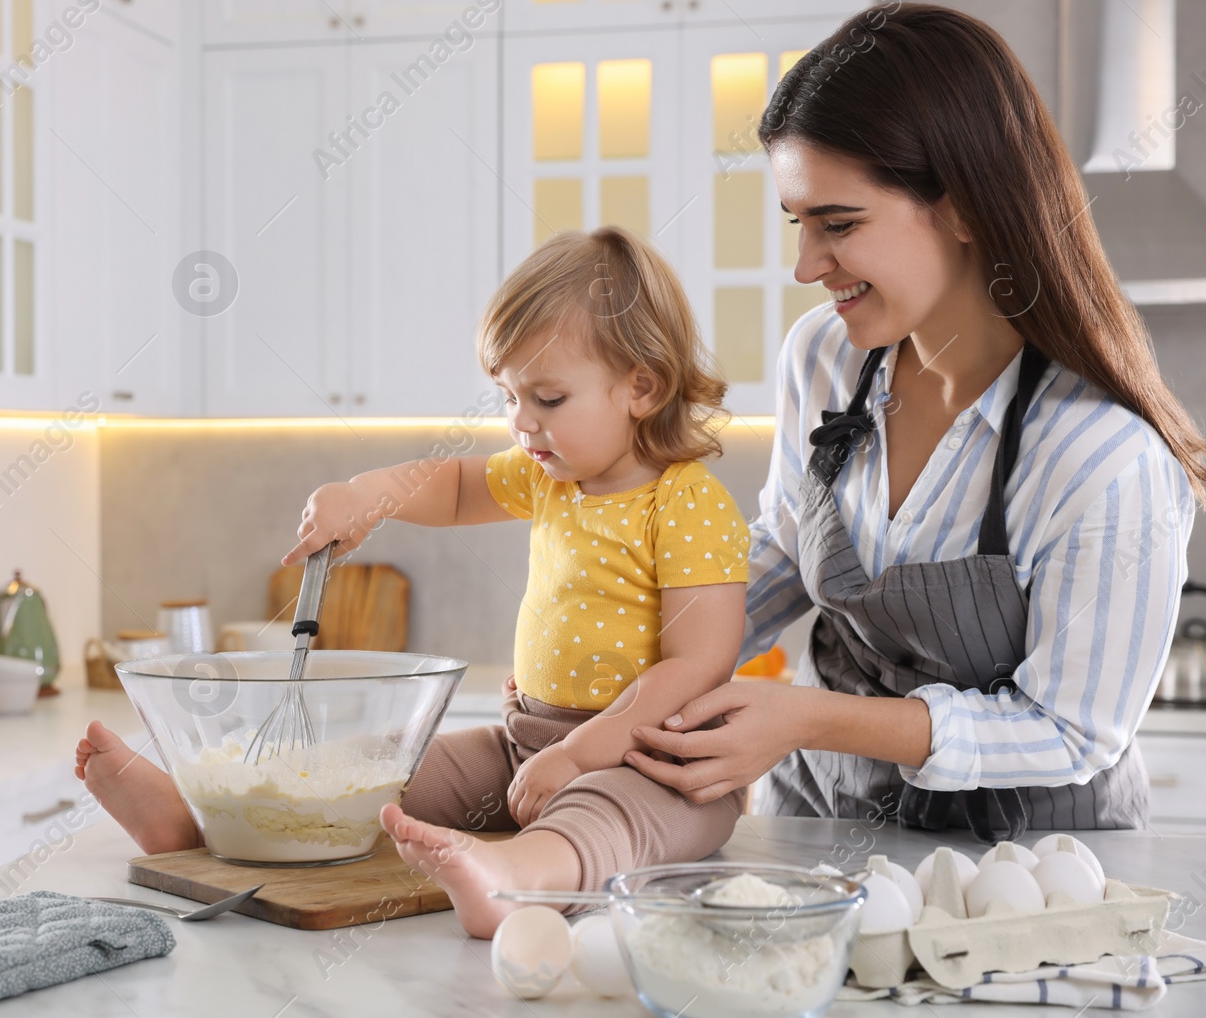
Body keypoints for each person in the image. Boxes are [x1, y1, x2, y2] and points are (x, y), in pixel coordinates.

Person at [624, 2, 1203, 840]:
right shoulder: (823, 355)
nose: (804, 265)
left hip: (1029, 876)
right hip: (820, 824)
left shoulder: (1101, 458)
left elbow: (1072, 728)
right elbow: (786, 550)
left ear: (965, 206)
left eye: (839, 224)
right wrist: (626, 651)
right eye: (799, 223)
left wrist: (803, 716)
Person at [76, 226, 751, 938]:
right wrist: (366, 493)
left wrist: (582, 753)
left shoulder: (687, 502)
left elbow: (699, 661)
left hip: (654, 765)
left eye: (547, 397)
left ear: (641, 387)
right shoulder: (552, 477)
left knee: (608, 819)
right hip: (527, 746)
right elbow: (456, 487)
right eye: (509, 396)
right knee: (381, 774)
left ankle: (516, 878)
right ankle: (203, 821)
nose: (522, 422)